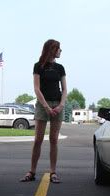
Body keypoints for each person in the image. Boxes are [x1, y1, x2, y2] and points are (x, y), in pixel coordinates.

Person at [20, 39, 67, 183]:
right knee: (38, 140)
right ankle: (32, 171)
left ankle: (53, 172)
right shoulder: (38, 66)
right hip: (42, 105)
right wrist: (46, 106)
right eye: (58, 48)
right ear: (52, 49)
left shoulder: (60, 68)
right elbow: (36, 88)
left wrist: (61, 105)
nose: (60, 51)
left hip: (58, 104)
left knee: (54, 140)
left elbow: (64, 89)